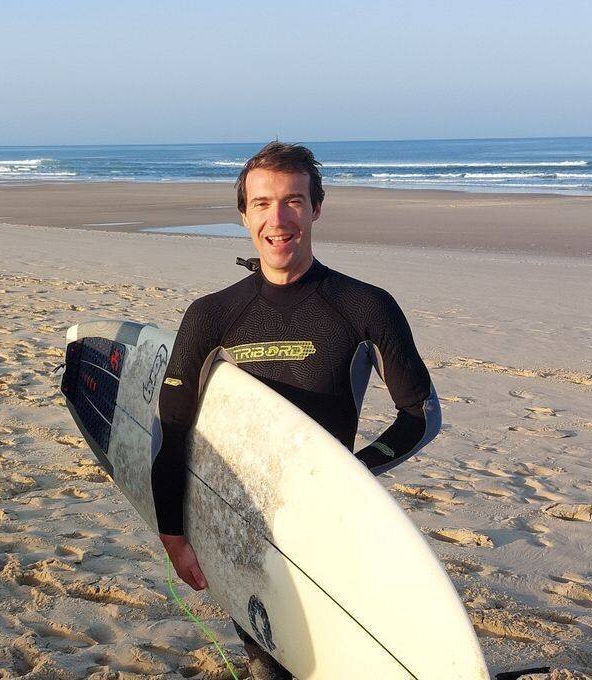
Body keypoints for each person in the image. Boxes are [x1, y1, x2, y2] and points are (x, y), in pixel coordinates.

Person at [152, 142, 442, 679]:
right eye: (262, 203)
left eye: (292, 201)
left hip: (332, 521)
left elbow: (419, 414)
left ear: (315, 209)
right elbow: (172, 428)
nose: (278, 218)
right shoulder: (212, 316)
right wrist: (175, 533)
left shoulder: (363, 306)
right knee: (270, 664)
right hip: (241, 522)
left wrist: (356, 468)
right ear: (244, 215)